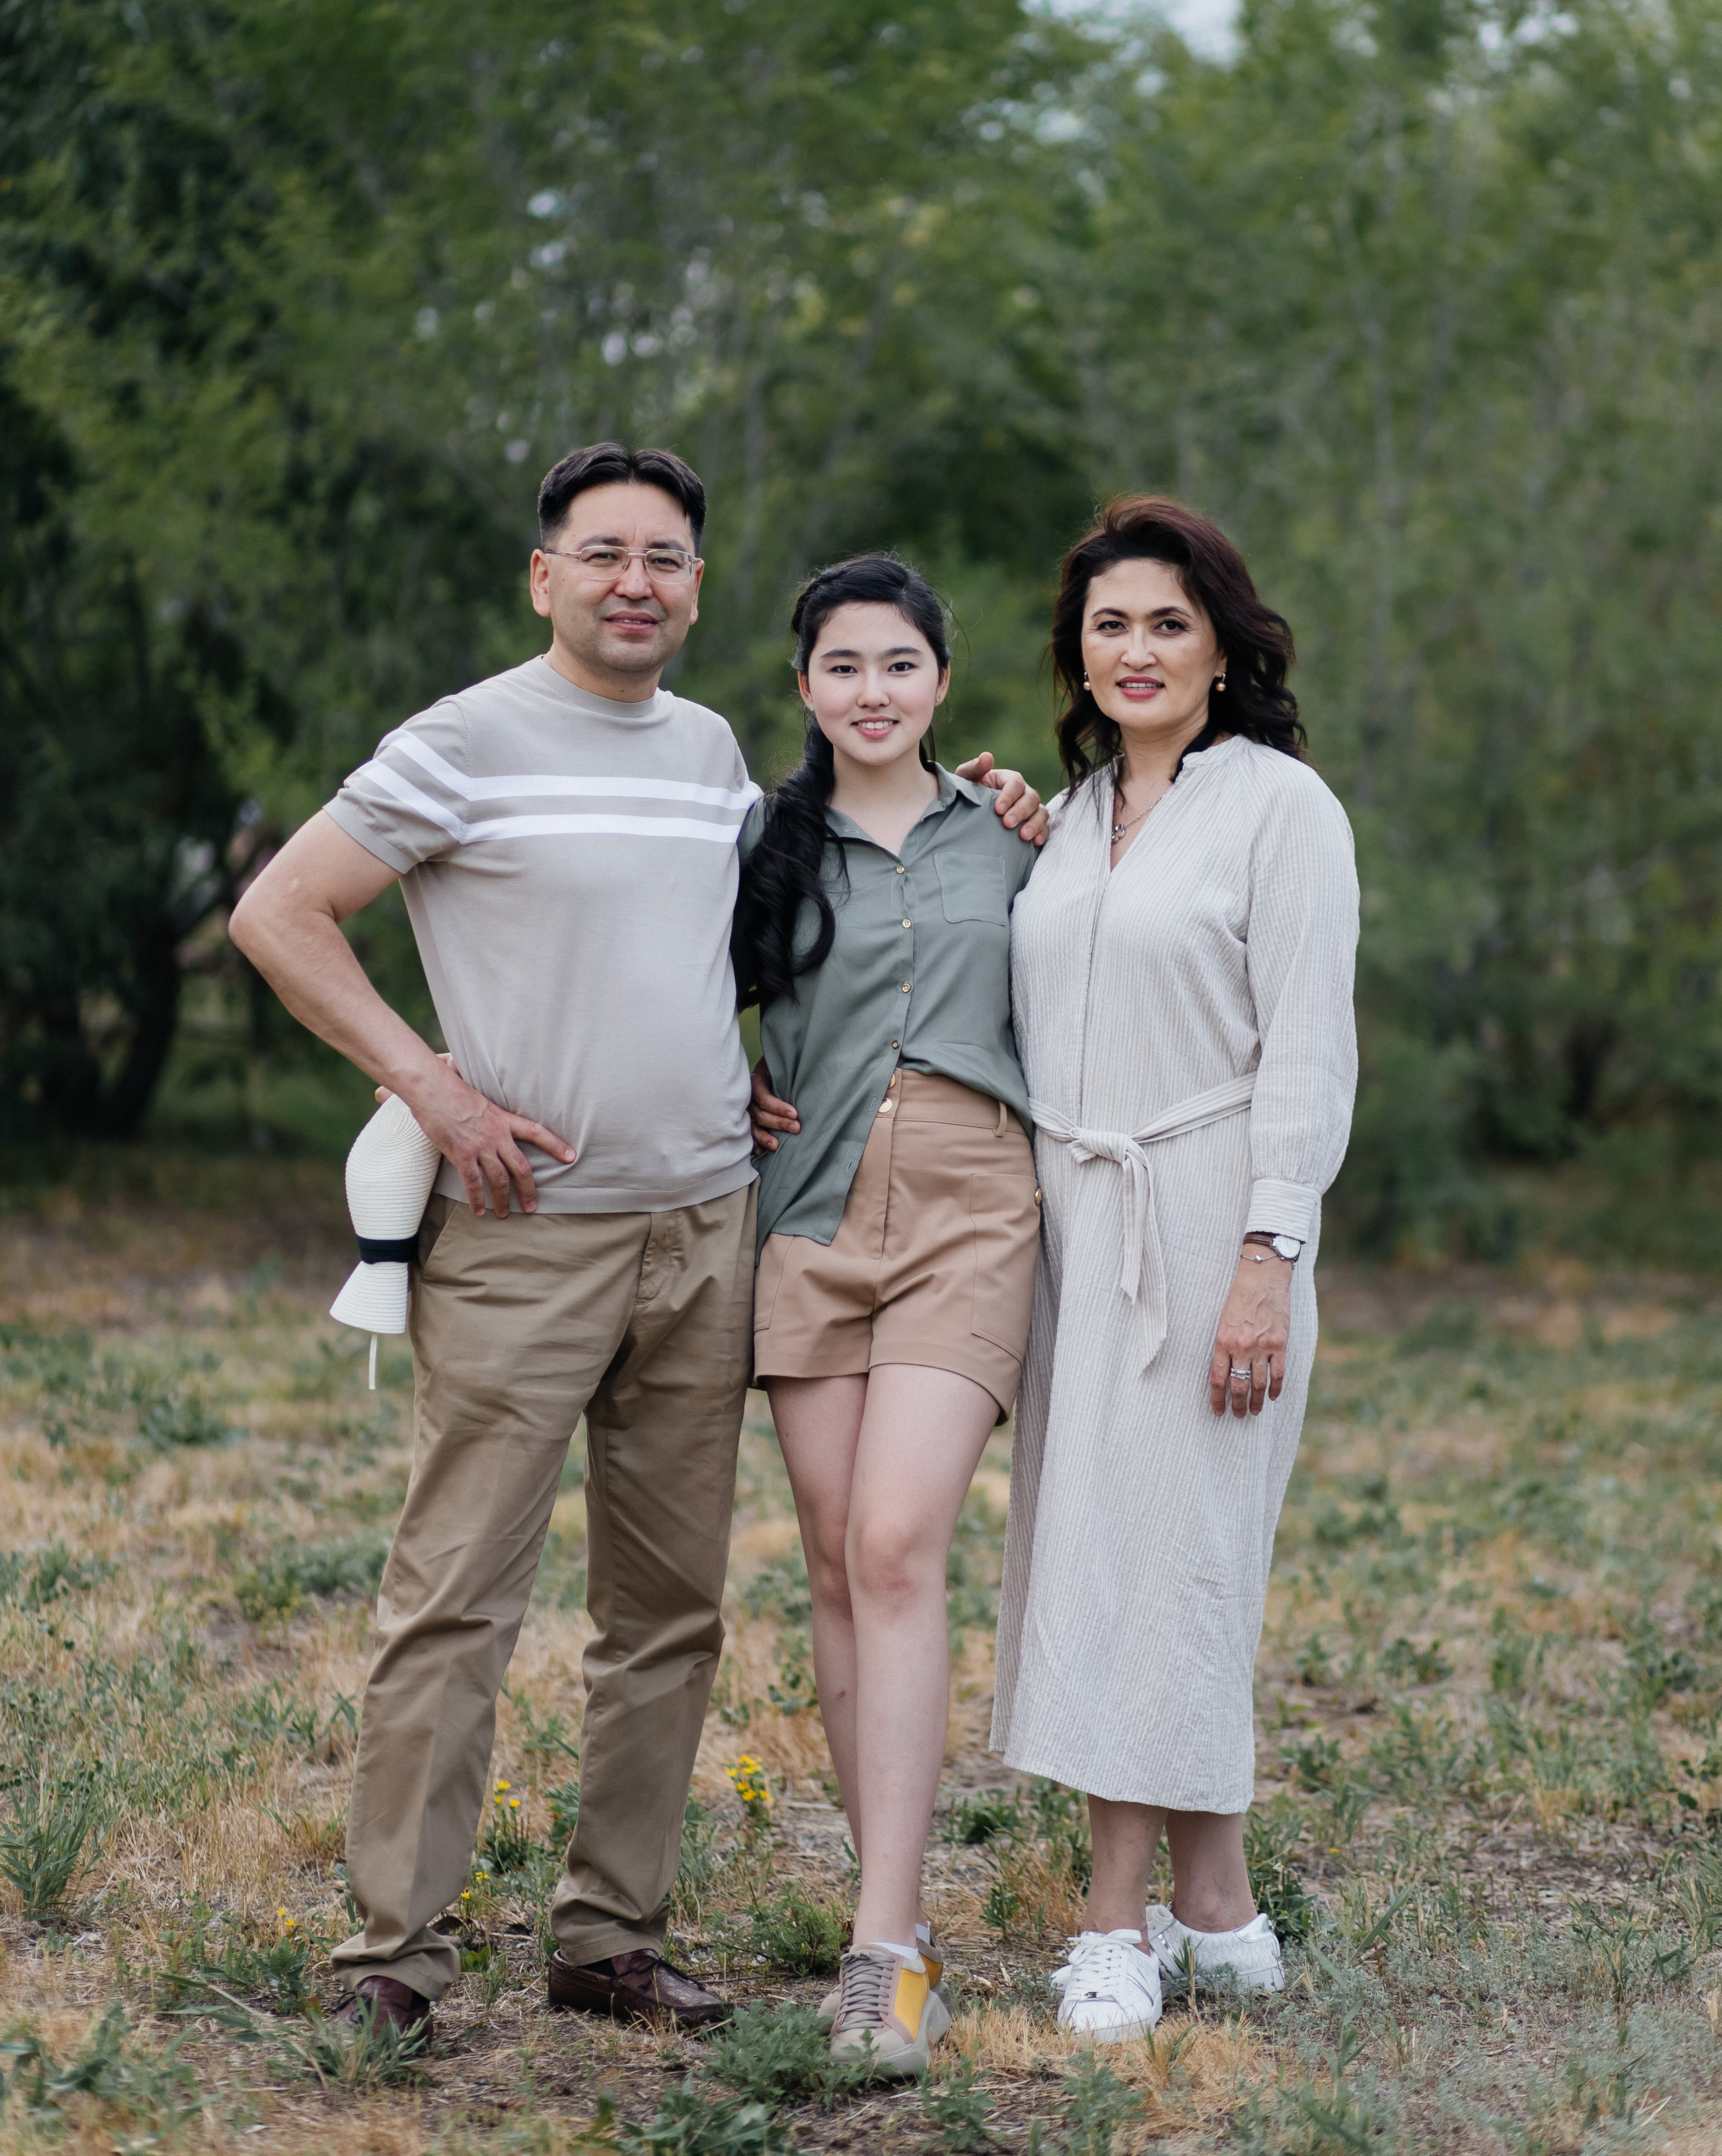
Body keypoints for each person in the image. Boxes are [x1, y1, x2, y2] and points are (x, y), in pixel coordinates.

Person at [229, 446, 1047, 2047]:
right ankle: (392, 1954)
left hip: (710, 1232)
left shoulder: (715, 755)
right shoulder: (462, 740)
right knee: (457, 1593)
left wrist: (996, 804)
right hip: (528, 1234)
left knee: (667, 1612)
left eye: (665, 557)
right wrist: (430, 1083)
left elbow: (778, 928)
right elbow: (278, 913)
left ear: (694, 587)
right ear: (544, 576)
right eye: (601, 553)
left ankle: (610, 1931)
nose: (633, 581)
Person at [990, 495, 1358, 2042]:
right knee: (1105, 1559)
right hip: (1077, 1220)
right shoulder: (1073, 821)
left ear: (1221, 647)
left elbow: (1309, 1050)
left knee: (1164, 1565)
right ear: (1075, 654)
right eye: (1106, 624)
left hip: (1210, 1220)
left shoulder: (1280, 808)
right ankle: (1218, 1908)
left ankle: (1111, 1928)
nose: (1132, 649)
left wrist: (1267, 1257)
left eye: (1165, 623)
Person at [735, 557, 1043, 2078]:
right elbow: (673, 986)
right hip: (806, 1213)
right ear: (804, 689)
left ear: (939, 682)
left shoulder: (1012, 834)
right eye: (841, 666)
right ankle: (899, 1923)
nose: (871, 690)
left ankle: (877, 1954)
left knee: (896, 1541)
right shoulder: (759, 840)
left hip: (975, 1207)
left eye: (899, 665)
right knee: (833, 1566)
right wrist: (715, 1076)